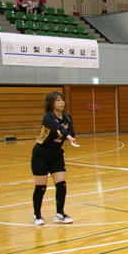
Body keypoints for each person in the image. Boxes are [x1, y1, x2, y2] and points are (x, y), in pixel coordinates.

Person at [31, 92, 78, 225]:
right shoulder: (48, 117)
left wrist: (70, 137)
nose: (62, 103)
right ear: (51, 103)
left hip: (56, 154)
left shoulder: (67, 117)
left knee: (61, 184)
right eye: (58, 100)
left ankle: (59, 214)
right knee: (41, 186)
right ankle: (37, 215)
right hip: (41, 155)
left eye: (62, 100)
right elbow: (59, 128)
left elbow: (70, 132)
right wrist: (67, 136)